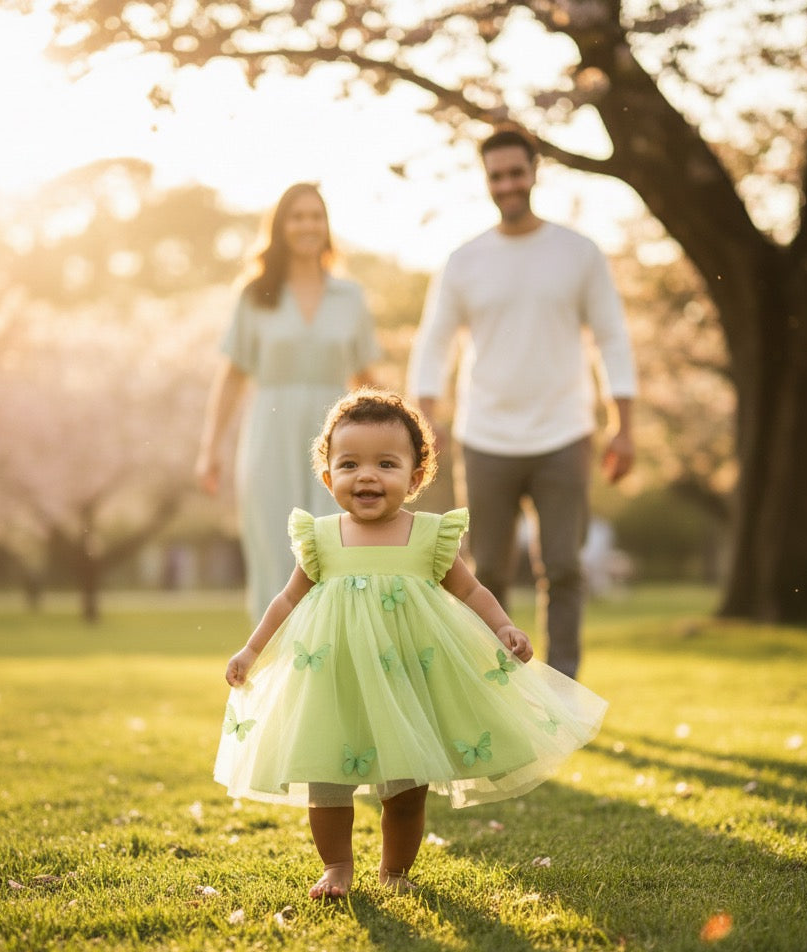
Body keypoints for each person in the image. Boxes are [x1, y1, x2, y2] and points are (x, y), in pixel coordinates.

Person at [214, 389, 607, 899]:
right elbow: (285, 601)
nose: (367, 476)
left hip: (408, 681)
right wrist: (251, 651)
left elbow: (470, 589)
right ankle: (336, 866)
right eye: (349, 464)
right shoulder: (322, 538)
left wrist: (503, 627)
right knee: (325, 781)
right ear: (329, 477)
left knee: (405, 786)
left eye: (386, 463)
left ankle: (395, 870)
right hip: (334, 681)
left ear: (415, 477)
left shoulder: (429, 537)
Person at [407, 124, 637, 680]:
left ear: (535, 172)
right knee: (487, 570)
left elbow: (611, 336)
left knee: (563, 566)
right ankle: (497, 686)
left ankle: (561, 689)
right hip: (486, 435)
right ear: (486, 181)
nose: (507, 185)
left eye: (516, 173)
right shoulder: (465, 260)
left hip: (564, 431)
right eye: (497, 176)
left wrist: (622, 424)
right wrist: (427, 417)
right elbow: (434, 340)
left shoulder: (578, 253)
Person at [196, 183, 379, 620]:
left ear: (327, 226)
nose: (307, 225)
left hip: (339, 440)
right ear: (280, 227)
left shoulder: (350, 297)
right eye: (297, 217)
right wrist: (211, 448)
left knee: (336, 545)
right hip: (269, 432)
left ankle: (336, 657)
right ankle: (274, 671)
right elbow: (232, 375)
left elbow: (367, 379)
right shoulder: (255, 293)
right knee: (274, 548)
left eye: (316, 216)